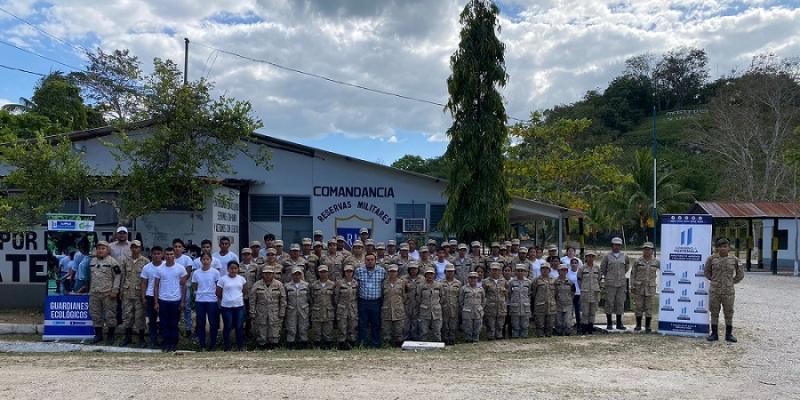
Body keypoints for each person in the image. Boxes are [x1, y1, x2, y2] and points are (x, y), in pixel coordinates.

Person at [705, 238, 745, 342]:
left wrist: (731, 282)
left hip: (728, 291)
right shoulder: (711, 259)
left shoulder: (734, 260)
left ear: (729, 248)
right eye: (720, 246)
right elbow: (707, 272)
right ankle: (714, 334)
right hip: (715, 291)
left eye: (725, 246)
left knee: (729, 312)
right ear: (717, 248)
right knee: (714, 311)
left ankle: (729, 334)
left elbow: (740, 274)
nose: (723, 249)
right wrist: (715, 281)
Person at [154, 247, 188, 352]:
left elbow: (184, 286)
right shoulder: (160, 269)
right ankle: (166, 344)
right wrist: (156, 302)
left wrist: (182, 301)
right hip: (163, 300)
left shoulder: (181, 268)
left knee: (174, 323)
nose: (169, 256)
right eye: (167, 254)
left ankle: (173, 344)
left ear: (174, 255)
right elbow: (156, 286)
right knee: (164, 323)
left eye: (171, 254)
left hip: (176, 300)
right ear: (164, 255)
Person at [89, 241, 123, 345]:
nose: (100, 250)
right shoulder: (92, 261)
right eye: (99, 248)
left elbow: (118, 276)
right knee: (95, 315)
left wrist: (115, 290)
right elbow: (90, 277)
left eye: (103, 248)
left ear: (107, 250)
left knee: (110, 315)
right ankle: (98, 335)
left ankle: (110, 336)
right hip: (94, 293)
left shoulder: (112, 262)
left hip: (108, 294)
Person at [120, 240, 149, 347]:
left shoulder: (145, 261)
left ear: (140, 248)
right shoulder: (125, 261)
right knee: (127, 315)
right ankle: (127, 337)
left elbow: (147, 279)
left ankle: (141, 339)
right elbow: (122, 276)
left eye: (137, 247)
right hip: (127, 293)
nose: (134, 249)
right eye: (132, 247)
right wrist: (120, 290)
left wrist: (145, 294)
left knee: (140, 316)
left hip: (139, 294)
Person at [354, 253, 386, 348]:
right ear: (365, 261)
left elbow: (384, 285)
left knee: (375, 324)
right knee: (362, 323)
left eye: (372, 260)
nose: (370, 261)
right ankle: (362, 343)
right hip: (363, 301)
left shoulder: (382, 271)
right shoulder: (359, 271)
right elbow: (356, 285)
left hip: (376, 302)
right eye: (368, 260)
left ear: (375, 260)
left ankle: (375, 344)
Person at [250, 266, 286, 349]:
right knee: (261, 327)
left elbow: (283, 299)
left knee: (274, 327)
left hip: (275, 311)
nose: (267, 275)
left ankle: (274, 344)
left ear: (273, 274)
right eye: (266, 273)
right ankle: (262, 345)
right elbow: (252, 299)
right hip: (261, 311)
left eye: (269, 273)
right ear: (263, 274)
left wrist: (282, 312)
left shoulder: (279, 284)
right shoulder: (257, 284)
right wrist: (252, 311)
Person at [192, 253, 220, 351]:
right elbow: (194, 285)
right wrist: (199, 293)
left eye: (207, 259)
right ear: (201, 260)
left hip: (212, 300)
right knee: (201, 323)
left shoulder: (215, 272)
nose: (205, 261)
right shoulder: (196, 273)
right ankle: (202, 345)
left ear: (211, 260)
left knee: (213, 323)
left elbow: (218, 286)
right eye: (203, 259)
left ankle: (213, 345)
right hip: (200, 300)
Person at [216, 261, 247, 351]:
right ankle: (227, 347)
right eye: (231, 268)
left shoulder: (241, 279)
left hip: (239, 306)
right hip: (226, 307)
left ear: (238, 269)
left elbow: (245, 291)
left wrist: (237, 298)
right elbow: (218, 292)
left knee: (239, 326)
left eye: (235, 268)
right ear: (228, 269)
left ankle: (240, 346)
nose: (233, 270)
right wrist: (226, 299)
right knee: (227, 326)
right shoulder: (223, 279)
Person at [601, 237, 630, 330]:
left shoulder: (624, 256)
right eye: (615, 245)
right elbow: (603, 268)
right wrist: (609, 276)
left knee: (620, 303)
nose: (616, 247)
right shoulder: (607, 256)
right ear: (612, 245)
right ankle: (609, 323)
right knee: (609, 303)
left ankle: (619, 323)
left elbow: (626, 267)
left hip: (621, 283)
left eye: (618, 245)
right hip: (610, 283)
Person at [631, 242, 660, 333]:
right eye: (645, 249)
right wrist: (632, 286)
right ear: (643, 250)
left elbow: (665, 272)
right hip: (639, 287)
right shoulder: (637, 261)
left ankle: (648, 326)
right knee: (638, 306)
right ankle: (638, 325)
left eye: (649, 249)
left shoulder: (656, 262)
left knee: (649, 307)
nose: (647, 251)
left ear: (652, 251)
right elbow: (633, 274)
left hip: (650, 288)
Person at [139, 246, 163, 348]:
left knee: (163, 320)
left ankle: (163, 340)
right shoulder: (147, 267)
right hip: (150, 296)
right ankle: (153, 341)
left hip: (164, 297)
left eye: (158, 253)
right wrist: (143, 297)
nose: (157, 256)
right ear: (151, 255)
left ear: (162, 254)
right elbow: (144, 283)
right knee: (152, 320)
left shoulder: (166, 266)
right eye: (155, 254)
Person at [172, 239, 194, 338]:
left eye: (179, 247)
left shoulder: (187, 259)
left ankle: (188, 329)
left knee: (187, 308)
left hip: (185, 287)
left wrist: (181, 281)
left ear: (183, 248)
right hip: (172, 289)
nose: (177, 248)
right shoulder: (169, 258)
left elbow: (188, 273)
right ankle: (176, 329)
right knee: (175, 309)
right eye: (175, 246)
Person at [310, 265, 336, 348]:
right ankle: (317, 346)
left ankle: (328, 346)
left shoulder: (332, 285)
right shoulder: (314, 285)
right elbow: (311, 298)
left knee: (328, 331)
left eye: (325, 272)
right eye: (321, 272)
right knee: (316, 331)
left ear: (328, 272)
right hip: (317, 311)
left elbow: (335, 298)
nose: (323, 273)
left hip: (328, 311)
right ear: (318, 273)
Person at [284, 267, 311, 349]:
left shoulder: (306, 285)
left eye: (298, 274)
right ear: (292, 275)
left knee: (303, 327)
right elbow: (285, 298)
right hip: (291, 309)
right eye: (295, 274)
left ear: (301, 275)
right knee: (291, 328)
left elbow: (310, 298)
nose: (297, 276)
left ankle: (303, 344)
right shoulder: (287, 286)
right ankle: (290, 344)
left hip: (303, 309)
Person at [381, 264, 407, 347]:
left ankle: (398, 344)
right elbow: (381, 296)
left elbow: (404, 296)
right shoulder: (384, 283)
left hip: (398, 309)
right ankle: (387, 344)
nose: (392, 273)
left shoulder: (402, 283)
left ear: (397, 272)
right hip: (386, 309)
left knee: (399, 328)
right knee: (386, 329)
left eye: (394, 271)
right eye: (391, 271)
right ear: (388, 272)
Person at [417, 267, 444, 342]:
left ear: (434, 275)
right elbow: (418, 298)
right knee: (424, 331)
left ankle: (438, 345)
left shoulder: (439, 285)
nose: (430, 276)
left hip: (436, 311)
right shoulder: (421, 285)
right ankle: (423, 345)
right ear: (425, 275)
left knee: (437, 330)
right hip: (424, 311)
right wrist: (424, 304)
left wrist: (436, 304)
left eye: (431, 274)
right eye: (428, 274)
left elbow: (442, 297)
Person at [335, 265, 359, 350]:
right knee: (342, 326)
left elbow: (357, 295)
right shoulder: (339, 283)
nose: (349, 273)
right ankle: (342, 343)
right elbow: (336, 296)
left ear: (353, 272)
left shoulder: (356, 283)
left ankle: (351, 343)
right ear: (344, 272)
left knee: (352, 326)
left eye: (350, 271)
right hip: (342, 307)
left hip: (353, 307)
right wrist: (339, 305)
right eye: (347, 271)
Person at [578, 250, 601, 334]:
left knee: (592, 312)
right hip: (585, 293)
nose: (590, 258)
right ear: (586, 257)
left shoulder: (597, 268)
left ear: (594, 257)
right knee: (585, 312)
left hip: (594, 293)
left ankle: (590, 329)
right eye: (588, 256)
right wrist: (584, 288)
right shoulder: (582, 268)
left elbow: (599, 279)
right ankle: (584, 330)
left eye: (592, 256)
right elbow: (579, 280)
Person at [483, 263, 508, 340]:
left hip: (501, 308)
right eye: (493, 270)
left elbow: (507, 294)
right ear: (490, 270)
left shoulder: (504, 281)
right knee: (491, 326)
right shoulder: (485, 281)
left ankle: (499, 341)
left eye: (497, 270)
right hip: (490, 308)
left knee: (500, 326)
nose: (495, 271)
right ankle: (490, 341)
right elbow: (483, 295)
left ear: (500, 271)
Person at [507, 264, 532, 339]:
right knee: (515, 325)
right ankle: (515, 338)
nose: (520, 272)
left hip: (525, 307)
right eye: (518, 271)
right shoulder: (511, 282)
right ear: (515, 272)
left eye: (522, 271)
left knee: (525, 325)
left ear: (525, 272)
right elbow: (509, 294)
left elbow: (529, 294)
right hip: (515, 307)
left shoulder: (528, 282)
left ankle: (524, 338)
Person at [460, 272, 485, 343]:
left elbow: (483, 300)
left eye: (474, 278)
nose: (473, 279)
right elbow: (461, 301)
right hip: (467, 311)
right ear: (468, 279)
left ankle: (475, 340)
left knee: (477, 327)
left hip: (478, 311)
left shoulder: (481, 289)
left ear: (477, 279)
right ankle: (468, 340)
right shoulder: (464, 288)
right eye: (471, 278)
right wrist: (464, 308)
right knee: (468, 327)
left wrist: (480, 307)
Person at [532, 264, 556, 337]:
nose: (545, 270)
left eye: (546, 269)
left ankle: (549, 335)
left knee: (550, 323)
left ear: (549, 270)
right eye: (543, 269)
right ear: (540, 270)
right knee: (540, 323)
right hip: (540, 305)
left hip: (550, 305)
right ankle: (540, 335)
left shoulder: (553, 280)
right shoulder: (536, 280)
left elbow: (556, 292)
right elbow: (533, 293)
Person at [440, 265, 461, 345]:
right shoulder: (440, 283)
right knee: (444, 325)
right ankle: (444, 339)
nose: (450, 273)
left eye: (451, 271)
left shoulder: (458, 283)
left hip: (454, 307)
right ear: (445, 272)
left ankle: (452, 339)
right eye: (448, 271)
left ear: (454, 272)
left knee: (453, 325)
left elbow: (460, 296)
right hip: (444, 307)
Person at [403, 263, 424, 340]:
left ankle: (415, 337)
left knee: (416, 321)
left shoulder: (422, 279)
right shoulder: (404, 279)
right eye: (411, 269)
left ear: (418, 269)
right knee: (406, 321)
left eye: (415, 269)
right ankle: (405, 338)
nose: (413, 270)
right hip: (407, 302)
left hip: (417, 302)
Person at [554, 265, 576, 336]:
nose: (563, 271)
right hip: (558, 304)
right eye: (561, 270)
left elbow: (573, 292)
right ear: (558, 271)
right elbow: (553, 293)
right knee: (559, 322)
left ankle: (567, 334)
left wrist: (569, 298)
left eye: (565, 270)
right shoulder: (555, 282)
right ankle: (559, 334)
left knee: (567, 322)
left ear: (567, 271)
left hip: (568, 304)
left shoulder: (570, 282)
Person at [567, 258, 582, 330]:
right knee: (570, 310)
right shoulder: (568, 273)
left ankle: (579, 325)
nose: (574, 264)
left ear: (578, 264)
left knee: (578, 311)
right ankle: (569, 325)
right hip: (570, 294)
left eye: (575, 263)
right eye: (572, 263)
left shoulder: (580, 272)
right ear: (570, 264)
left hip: (579, 294)